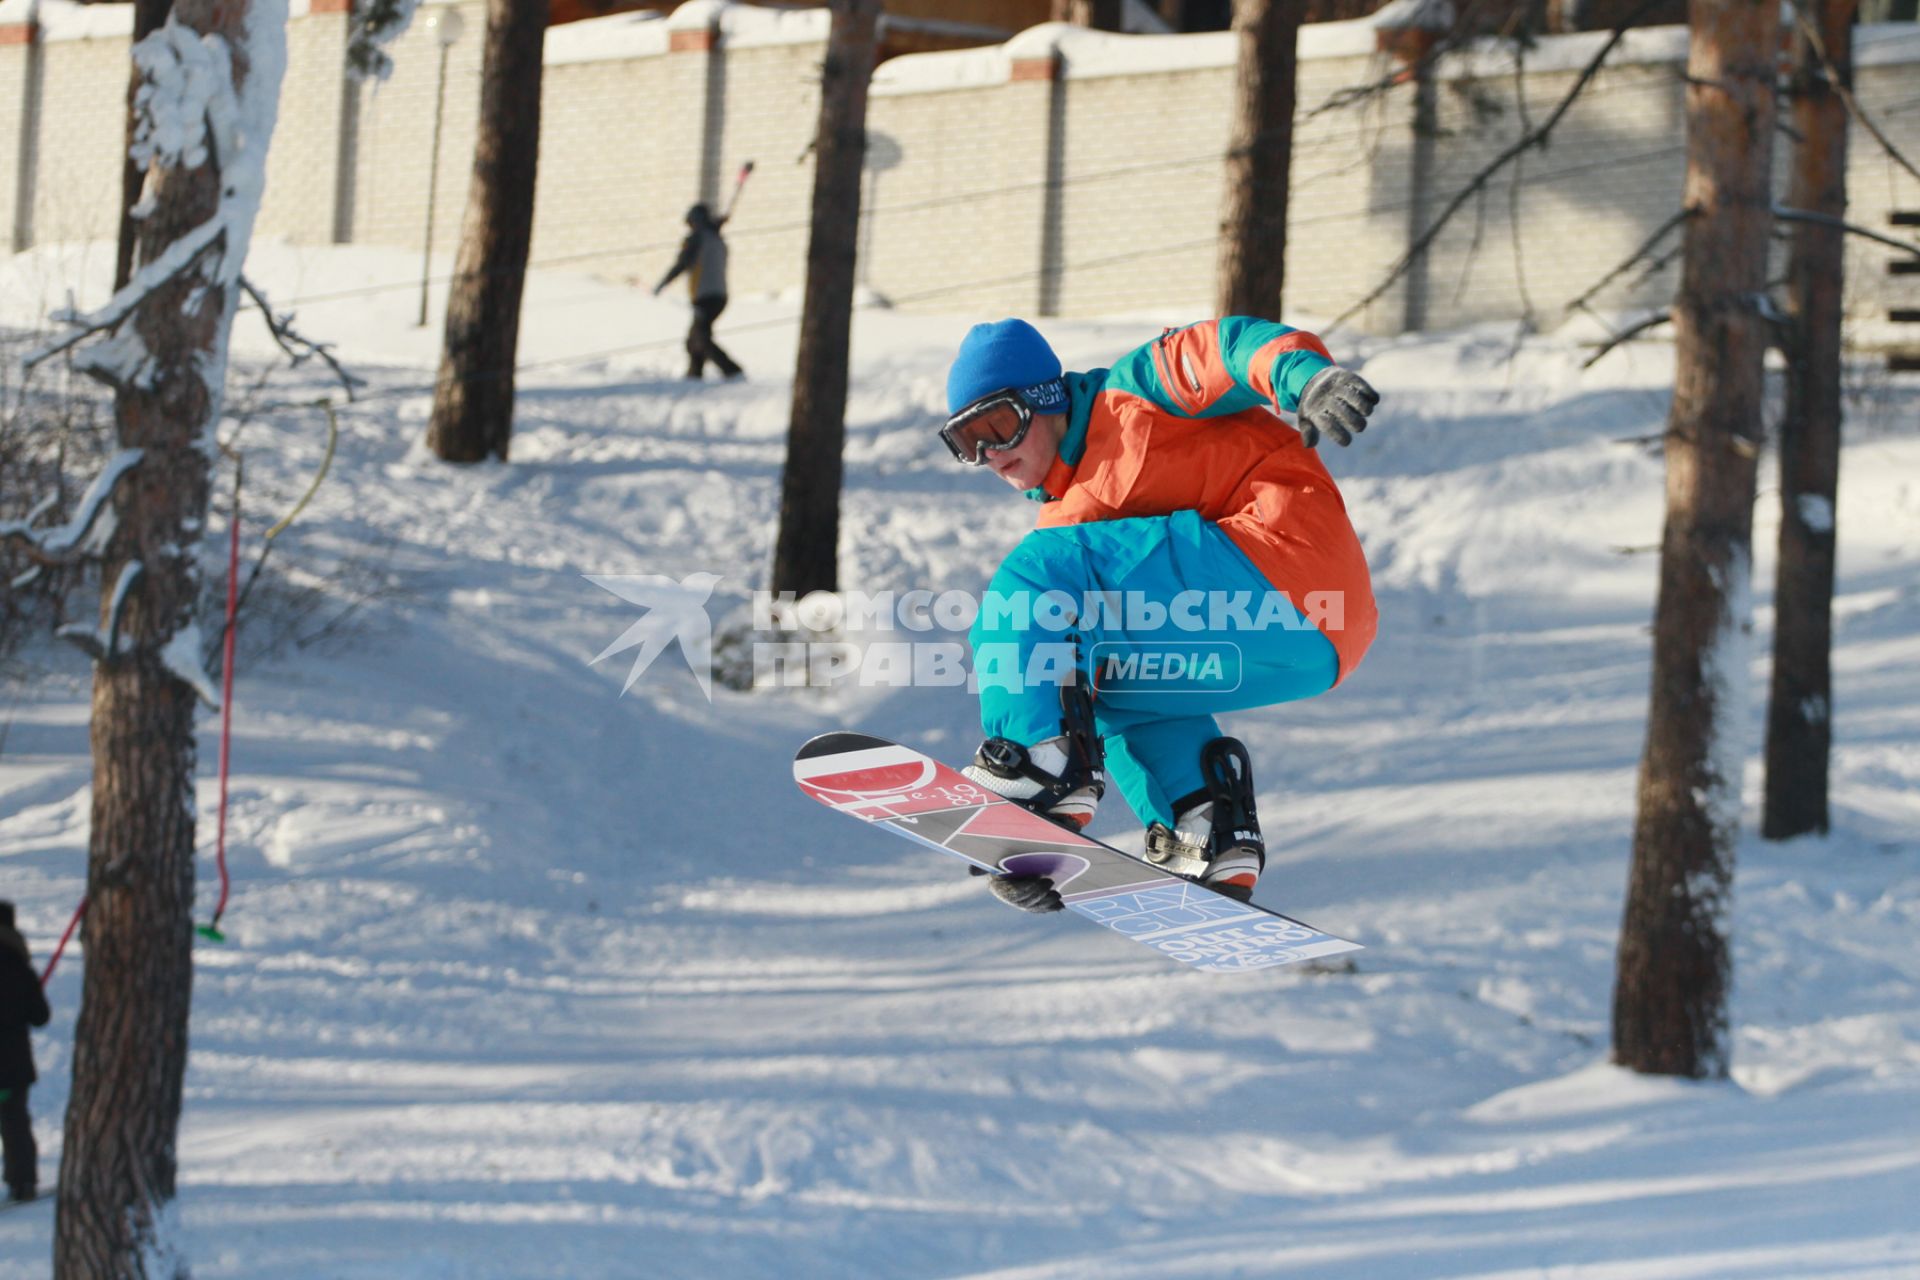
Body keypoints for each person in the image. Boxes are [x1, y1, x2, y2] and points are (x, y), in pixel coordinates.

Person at [941, 317, 1380, 912]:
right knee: (1108, 679)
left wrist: (1305, 378)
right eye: (967, 444)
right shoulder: (1066, 522)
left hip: (1288, 563)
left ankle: (1035, 768)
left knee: (1032, 579)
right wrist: (1030, 850)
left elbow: (1231, 350)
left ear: (1045, 398)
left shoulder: (1132, 395)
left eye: (997, 426)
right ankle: (1205, 832)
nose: (991, 454)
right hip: (1313, 639)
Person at [653, 202, 743, 381]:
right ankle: (695, 375)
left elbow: (683, 262)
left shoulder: (697, 238)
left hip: (705, 296)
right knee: (696, 337)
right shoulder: (717, 239)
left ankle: (732, 371)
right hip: (720, 296)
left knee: (699, 337)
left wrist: (664, 282)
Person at [0, 901, 49, 1203]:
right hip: (13, 1065)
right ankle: (23, 1181)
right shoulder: (20, 967)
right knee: (14, 1119)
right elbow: (41, 1016)